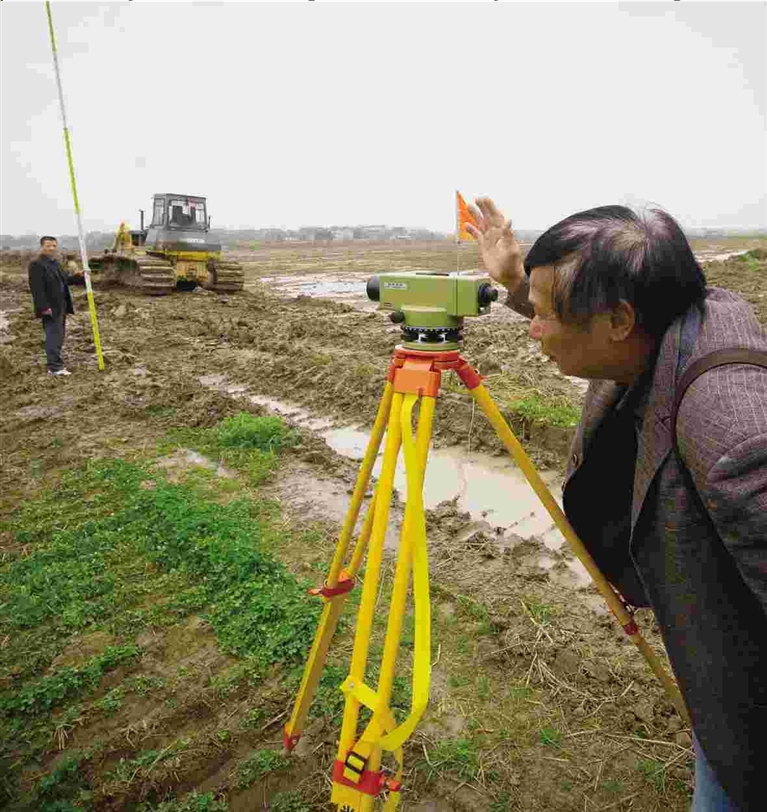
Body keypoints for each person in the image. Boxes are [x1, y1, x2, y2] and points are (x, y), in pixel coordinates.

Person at [466, 199, 767, 811]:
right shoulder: (668, 317)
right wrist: (518, 283)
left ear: (620, 320)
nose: (532, 328)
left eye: (543, 314)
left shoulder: (731, 433)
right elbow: (579, 317)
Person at [28, 236, 81, 376]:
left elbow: (65, 281)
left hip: (61, 305)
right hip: (50, 308)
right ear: (42, 246)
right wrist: (44, 308)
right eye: (48, 245)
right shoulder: (36, 264)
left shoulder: (55, 263)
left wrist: (80, 276)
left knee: (59, 336)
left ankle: (55, 363)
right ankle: (55, 368)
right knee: (53, 336)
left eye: (54, 245)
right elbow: (37, 289)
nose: (51, 248)